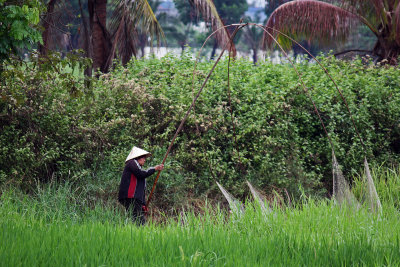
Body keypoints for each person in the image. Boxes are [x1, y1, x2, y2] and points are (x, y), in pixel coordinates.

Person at [118, 146, 164, 225]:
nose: (144, 160)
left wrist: (143, 204)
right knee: (140, 220)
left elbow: (141, 188)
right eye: (143, 158)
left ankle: (133, 234)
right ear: (138, 158)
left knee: (135, 219)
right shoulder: (131, 163)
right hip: (130, 197)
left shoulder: (138, 168)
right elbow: (141, 174)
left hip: (135, 198)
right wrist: (154, 169)